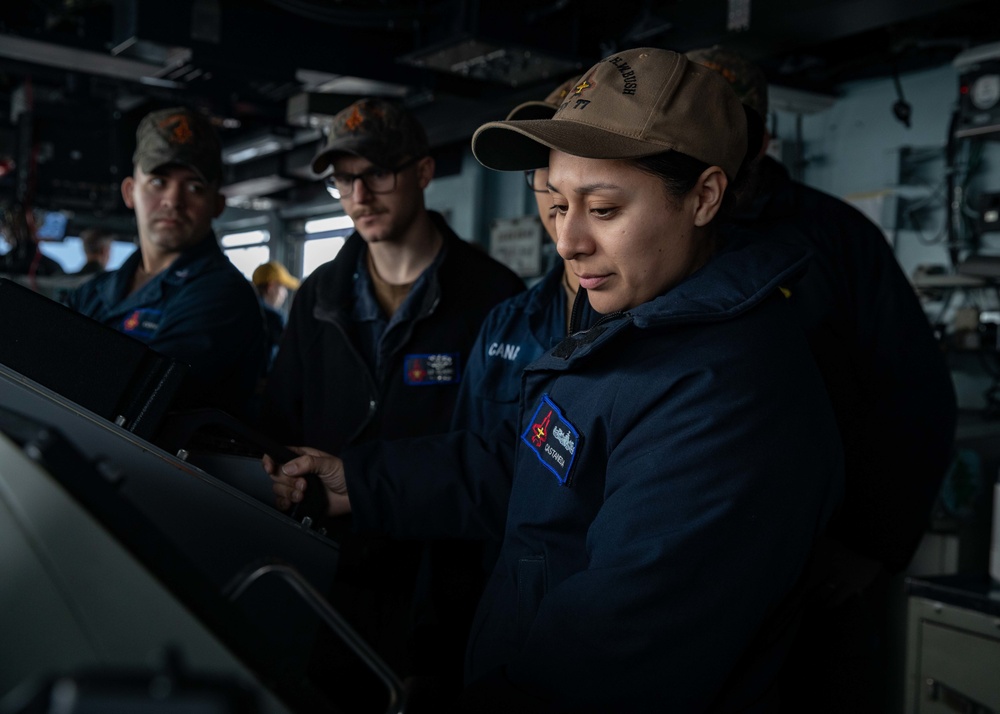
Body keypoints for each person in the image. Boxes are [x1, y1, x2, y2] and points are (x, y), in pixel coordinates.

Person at [267, 48, 845, 712]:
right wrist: (359, 483)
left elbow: (608, 663)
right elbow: (527, 471)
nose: (567, 242)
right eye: (559, 202)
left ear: (705, 197)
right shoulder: (632, 326)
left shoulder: (727, 399)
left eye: (601, 209)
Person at [686, 46, 958, 714]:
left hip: (816, 573)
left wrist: (870, 545)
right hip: (690, 562)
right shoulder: (657, 231)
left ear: (764, 138)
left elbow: (914, 396)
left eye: (729, 125)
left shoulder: (834, 237)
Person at [259, 98, 524, 691]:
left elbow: (500, 456)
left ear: (424, 172)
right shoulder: (318, 297)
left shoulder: (493, 298)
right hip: (325, 574)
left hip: (440, 587)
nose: (358, 195)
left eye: (376, 173)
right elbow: (279, 419)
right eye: (343, 179)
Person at [65, 107, 268, 421]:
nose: (173, 201)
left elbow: (142, 397)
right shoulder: (94, 291)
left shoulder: (222, 297)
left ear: (217, 204)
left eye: (194, 187)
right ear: (130, 192)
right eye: (159, 182)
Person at [451, 76, 599, 439]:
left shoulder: (653, 317)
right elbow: (468, 460)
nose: (554, 186)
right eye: (541, 162)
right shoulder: (505, 322)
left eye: (573, 157)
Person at [250, 260, 299, 368]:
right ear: (271, 287)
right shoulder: (274, 317)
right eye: (283, 288)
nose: (285, 294)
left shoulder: (242, 310)